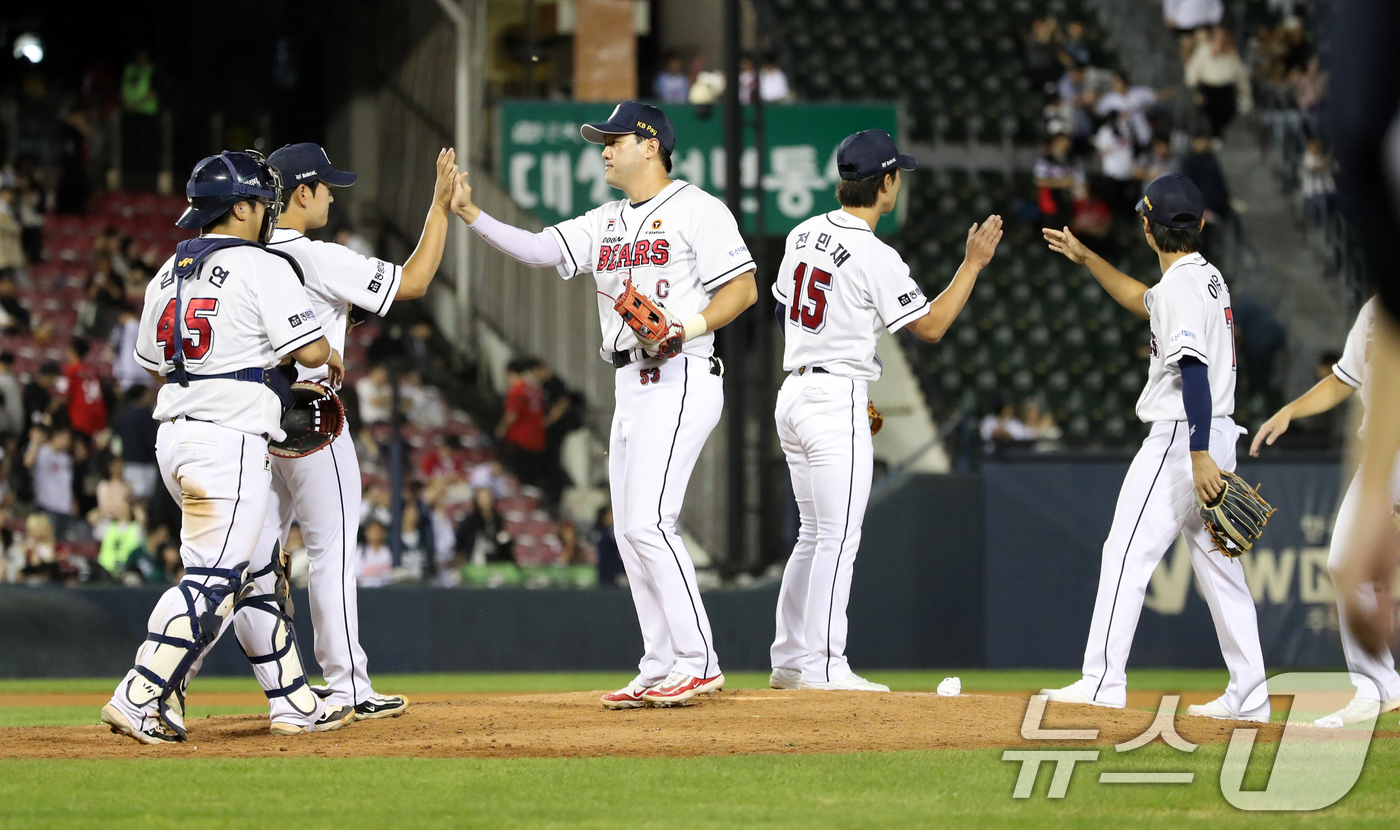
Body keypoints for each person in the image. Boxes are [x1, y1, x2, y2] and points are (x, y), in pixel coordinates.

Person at [451, 101, 758, 707]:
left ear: (651, 145)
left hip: (682, 371)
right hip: (629, 382)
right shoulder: (606, 221)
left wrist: (686, 326)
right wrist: (469, 213)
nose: (604, 149)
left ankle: (699, 659)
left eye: (614, 140)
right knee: (628, 532)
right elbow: (538, 248)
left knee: (650, 523)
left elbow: (743, 289)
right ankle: (660, 660)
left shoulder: (699, 210)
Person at [188, 142, 456, 721]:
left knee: (243, 568)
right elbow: (412, 282)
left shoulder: (236, 256)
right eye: (326, 185)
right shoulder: (315, 255)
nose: (333, 194)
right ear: (300, 192)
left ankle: (190, 679)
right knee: (331, 552)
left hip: (250, 427)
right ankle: (347, 685)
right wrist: (437, 207)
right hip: (312, 420)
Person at [100, 149, 348, 745]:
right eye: (262, 201)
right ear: (239, 207)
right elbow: (313, 353)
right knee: (212, 579)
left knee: (258, 572)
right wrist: (326, 357)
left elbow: (153, 362)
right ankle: (138, 694)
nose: (267, 211)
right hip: (228, 442)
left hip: (178, 435)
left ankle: (293, 702)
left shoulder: (165, 272)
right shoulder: (262, 266)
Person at [770, 129, 1002, 692]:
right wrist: (971, 266)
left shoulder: (802, 233)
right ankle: (825, 666)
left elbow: (787, 309)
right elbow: (931, 327)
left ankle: (790, 659)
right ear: (888, 182)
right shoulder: (876, 254)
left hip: (795, 392)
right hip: (832, 401)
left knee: (811, 533)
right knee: (837, 538)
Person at [1039, 174, 1269, 721]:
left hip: (1183, 441)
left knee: (1125, 552)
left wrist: (1195, 455)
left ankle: (1101, 683)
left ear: (1146, 227)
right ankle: (1251, 692)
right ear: (1201, 225)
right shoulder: (1203, 278)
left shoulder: (1182, 289)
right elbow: (1143, 301)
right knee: (1221, 571)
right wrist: (1088, 257)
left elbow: (1192, 370)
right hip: (1215, 433)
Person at [1250, 297, 1399, 725]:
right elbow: (1343, 378)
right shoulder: (1375, 308)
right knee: (1341, 563)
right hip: (1381, 452)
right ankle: (1377, 687)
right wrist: (1290, 411)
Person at [1185, 27, 1252, 139]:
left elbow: (1241, 75)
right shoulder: (1204, 50)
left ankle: (1218, 132)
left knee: (1228, 111)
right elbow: (1194, 67)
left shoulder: (1231, 52)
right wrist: (1192, 81)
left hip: (1226, 88)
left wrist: (1245, 98)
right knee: (1208, 111)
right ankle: (1213, 134)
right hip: (1209, 88)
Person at [497, 359, 546, 487]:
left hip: (520, 441)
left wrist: (501, 429)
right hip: (537, 440)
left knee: (518, 480)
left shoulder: (517, 390)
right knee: (531, 481)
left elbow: (512, 415)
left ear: (511, 373)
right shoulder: (536, 389)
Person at [25, 426, 74, 540]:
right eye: (66, 437)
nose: (68, 441)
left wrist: (72, 500)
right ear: (57, 435)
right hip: (47, 506)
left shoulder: (66, 458)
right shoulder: (42, 451)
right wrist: (35, 441)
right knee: (46, 542)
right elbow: (28, 462)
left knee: (59, 544)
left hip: (64, 508)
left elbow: (67, 483)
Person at [58, 338, 107, 437]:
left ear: (73, 352)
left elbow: (63, 397)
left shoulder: (71, 370)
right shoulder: (93, 370)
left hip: (80, 418)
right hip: (99, 416)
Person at [356, 520, 394, 587]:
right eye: (373, 531)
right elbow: (356, 575)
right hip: (365, 590)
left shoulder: (388, 551)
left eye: (378, 531)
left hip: (386, 590)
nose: (375, 534)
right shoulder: (360, 551)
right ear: (366, 533)